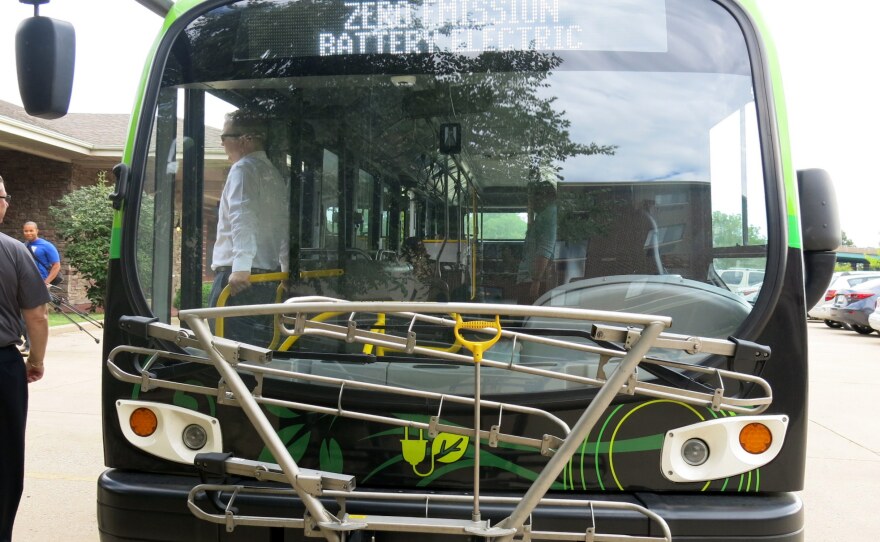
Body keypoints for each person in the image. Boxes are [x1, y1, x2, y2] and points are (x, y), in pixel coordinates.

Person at [208, 110, 289, 344]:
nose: (222, 143)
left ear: (245, 139)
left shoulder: (243, 169)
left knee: (228, 352)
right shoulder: (273, 175)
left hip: (239, 282)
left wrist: (241, 267)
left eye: (224, 138)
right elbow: (283, 226)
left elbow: (242, 216)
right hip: (268, 278)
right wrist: (285, 269)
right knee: (259, 348)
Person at [0, 175, 50, 541]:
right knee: (4, 461)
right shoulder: (14, 251)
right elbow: (37, 315)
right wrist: (36, 360)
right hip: (3, 367)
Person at [18, 222, 61, 355]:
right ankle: (28, 343)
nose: (28, 233)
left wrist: (46, 282)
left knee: (35, 316)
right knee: (21, 316)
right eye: (26, 231)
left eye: (31, 230)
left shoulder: (46, 246)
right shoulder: (22, 246)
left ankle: (32, 346)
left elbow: (56, 266)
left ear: (37, 230)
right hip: (24, 284)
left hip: (40, 284)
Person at [516, 181, 558, 304]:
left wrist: (536, 281)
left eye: (534, 198)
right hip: (530, 278)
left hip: (532, 280)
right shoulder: (544, 215)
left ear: (544, 197)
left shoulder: (549, 215)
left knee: (527, 320)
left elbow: (545, 248)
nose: (531, 203)